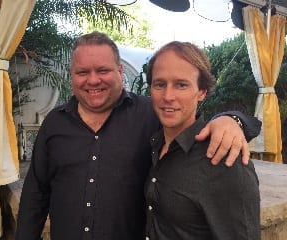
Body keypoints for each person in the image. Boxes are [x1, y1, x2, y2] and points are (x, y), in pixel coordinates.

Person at [15, 31, 261, 240]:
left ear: (120, 71)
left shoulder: (150, 114)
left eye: (103, 70)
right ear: (72, 75)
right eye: (82, 72)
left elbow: (190, 120)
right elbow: (35, 195)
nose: (93, 80)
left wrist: (232, 120)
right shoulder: (55, 123)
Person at [145, 41, 260, 240]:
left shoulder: (224, 160)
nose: (168, 96)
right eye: (160, 84)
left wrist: (233, 120)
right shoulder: (154, 142)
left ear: (202, 92)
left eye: (181, 85)